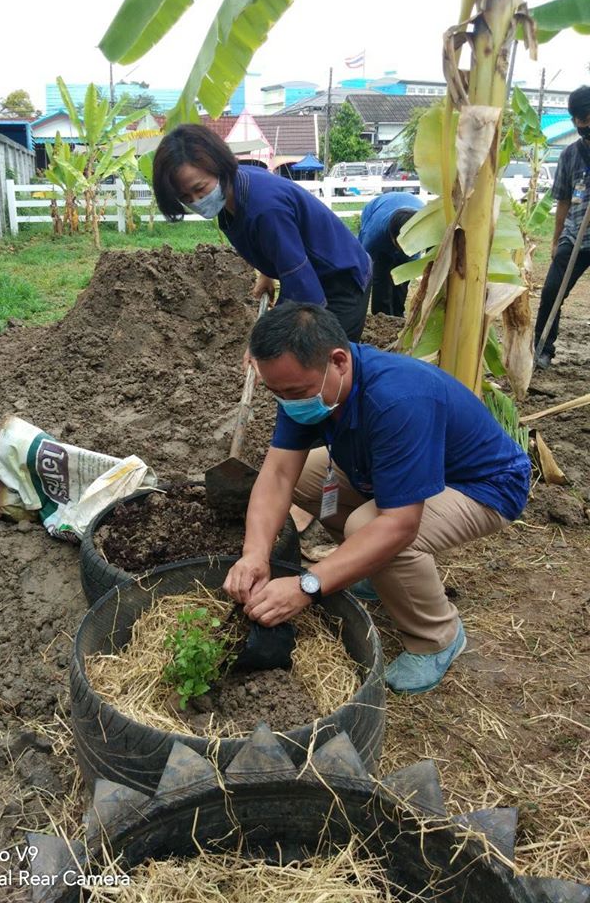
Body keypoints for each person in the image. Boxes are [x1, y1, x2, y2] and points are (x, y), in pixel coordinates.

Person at [222, 303, 531, 694]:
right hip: (390, 471)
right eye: (278, 393)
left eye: (295, 392)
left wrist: (308, 586)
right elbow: (279, 474)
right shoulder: (305, 387)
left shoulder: (397, 398)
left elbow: (399, 524)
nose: (288, 402)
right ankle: (370, 571)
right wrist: (254, 554)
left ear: (338, 361)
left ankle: (437, 636)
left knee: (370, 528)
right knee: (308, 477)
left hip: (482, 486)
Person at [152, 124, 372, 341]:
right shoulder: (235, 194)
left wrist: (262, 344)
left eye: (200, 189)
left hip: (341, 278)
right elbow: (273, 242)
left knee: (327, 363)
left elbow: (304, 292)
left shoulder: (265, 209)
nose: (197, 201)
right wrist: (267, 274)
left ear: (219, 167)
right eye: (186, 198)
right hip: (311, 272)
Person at [534, 85, 590, 369]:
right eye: (582, 119)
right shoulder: (570, 155)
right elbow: (564, 202)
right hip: (576, 236)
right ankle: (542, 349)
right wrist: (556, 240)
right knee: (552, 291)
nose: (586, 124)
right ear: (576, 121)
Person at [358, 191, 425, 317]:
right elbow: (361, 264)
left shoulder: (424, 227)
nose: (404, 249)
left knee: (402, 279)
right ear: (392, 237)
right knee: (382, 275)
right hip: (377, 208)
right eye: (401, 245)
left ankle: (398, 314)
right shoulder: (374, 236)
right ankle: (382, 316)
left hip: (411, 211)